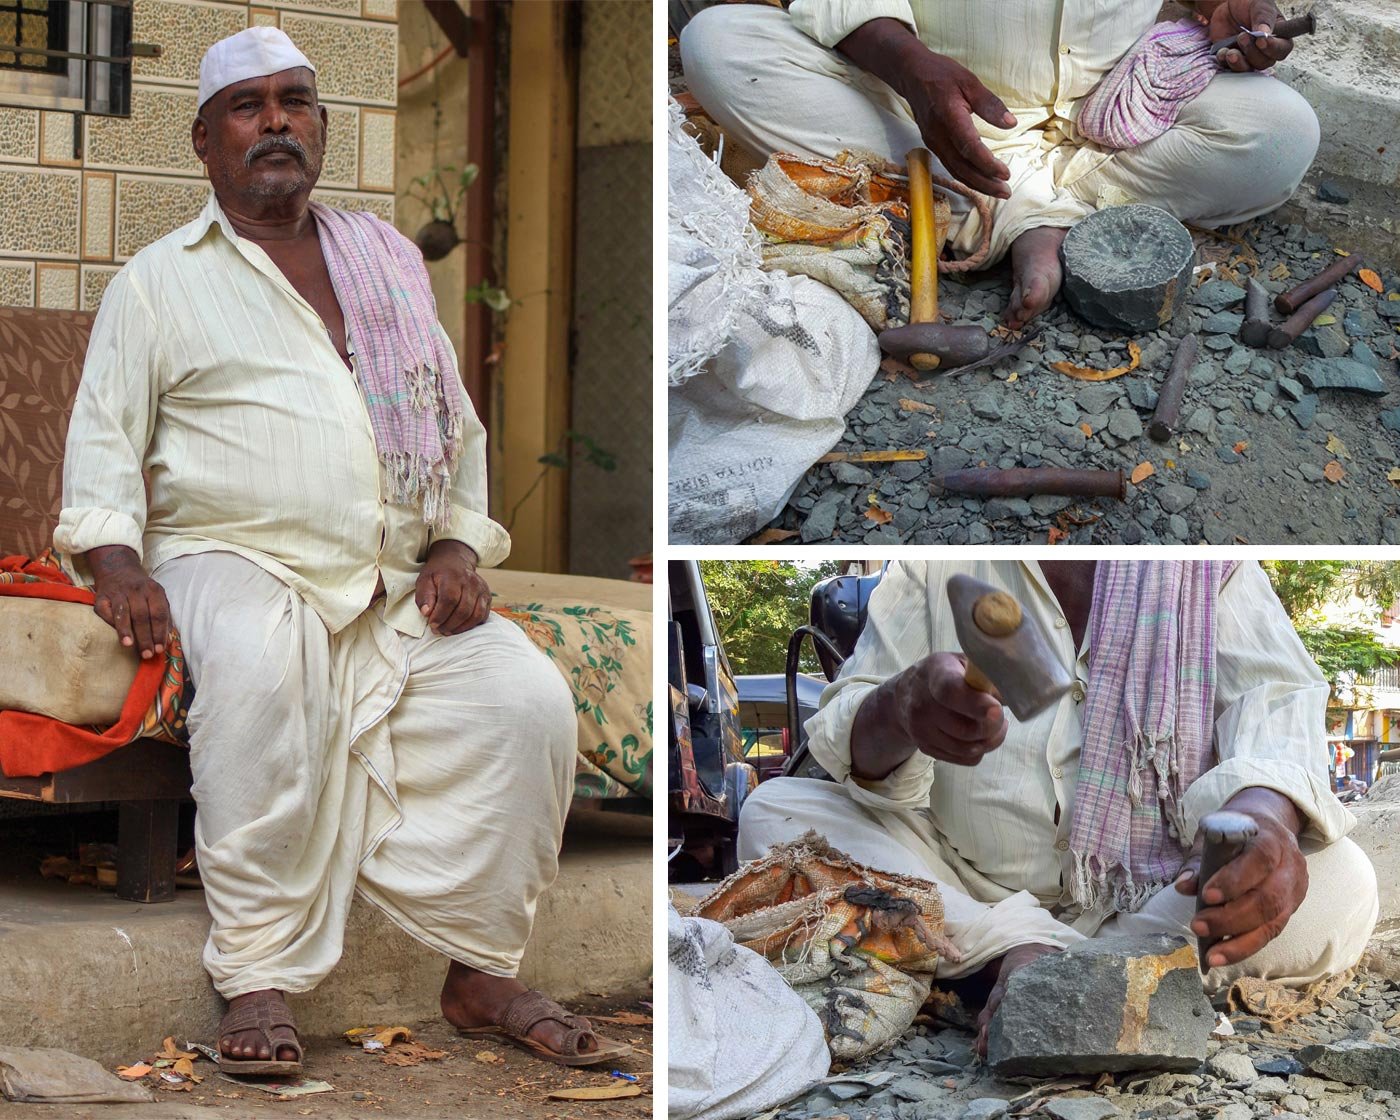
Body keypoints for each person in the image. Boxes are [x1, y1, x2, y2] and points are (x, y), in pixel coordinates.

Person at [55, 27, 628, 1075]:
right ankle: (255, 974)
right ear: (204, 140)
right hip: (233, 555)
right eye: (249, 104)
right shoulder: (158, 280)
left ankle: (478, 967)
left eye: (297, 100)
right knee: (264, 663)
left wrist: (455, 546)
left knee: (524, 701)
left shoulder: (387, 261)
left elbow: (454, 429)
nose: (277, 118)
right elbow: (101, 440)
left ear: (320, 125)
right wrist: (118, 563)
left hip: (394, 575)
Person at [739, 560, 1378, 1053]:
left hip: (1153, 899)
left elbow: (1276, 701)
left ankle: (1025, 971)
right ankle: (1038, 956)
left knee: (1342, 881)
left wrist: (1266, 817)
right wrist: (901, 707)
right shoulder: (935, 566)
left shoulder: (1212, 571)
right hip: (960, 884)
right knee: (778, 812)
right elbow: (854, 735)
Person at [680, 0, 1319, 329]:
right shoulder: (915, 80)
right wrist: (909, 66)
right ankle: (1041, 217)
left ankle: (1001, 213)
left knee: (1282, 133)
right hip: (923, 98)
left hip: (1113, 108)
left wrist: (1221, 4)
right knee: (720, 45)